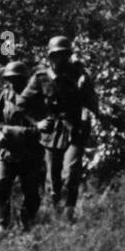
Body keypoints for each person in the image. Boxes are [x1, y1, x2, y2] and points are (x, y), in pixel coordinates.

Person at [22, 36, 100, 221]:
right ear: (50, 57)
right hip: (51, 132)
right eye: (57, 55)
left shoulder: (79, 76)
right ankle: (58, 216)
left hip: (74, 130)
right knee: (53, 179)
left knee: (71, 174)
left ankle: (69, 214)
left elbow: (93, 105)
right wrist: (37, 123)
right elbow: (22, 104)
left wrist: (85, 85)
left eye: (64, 55)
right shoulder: (41, 78)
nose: (61, 59)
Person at [0, 61, 43, 230]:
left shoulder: (36, 99)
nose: (13, 83)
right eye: (10, 79)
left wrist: (10, 131)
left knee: (31, 193)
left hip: (29, 153)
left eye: (17, 79)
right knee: (1, 187)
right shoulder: (5, 96)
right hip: (6, 152)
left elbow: (41, 128)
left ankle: (27, 223)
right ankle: (3, 223)